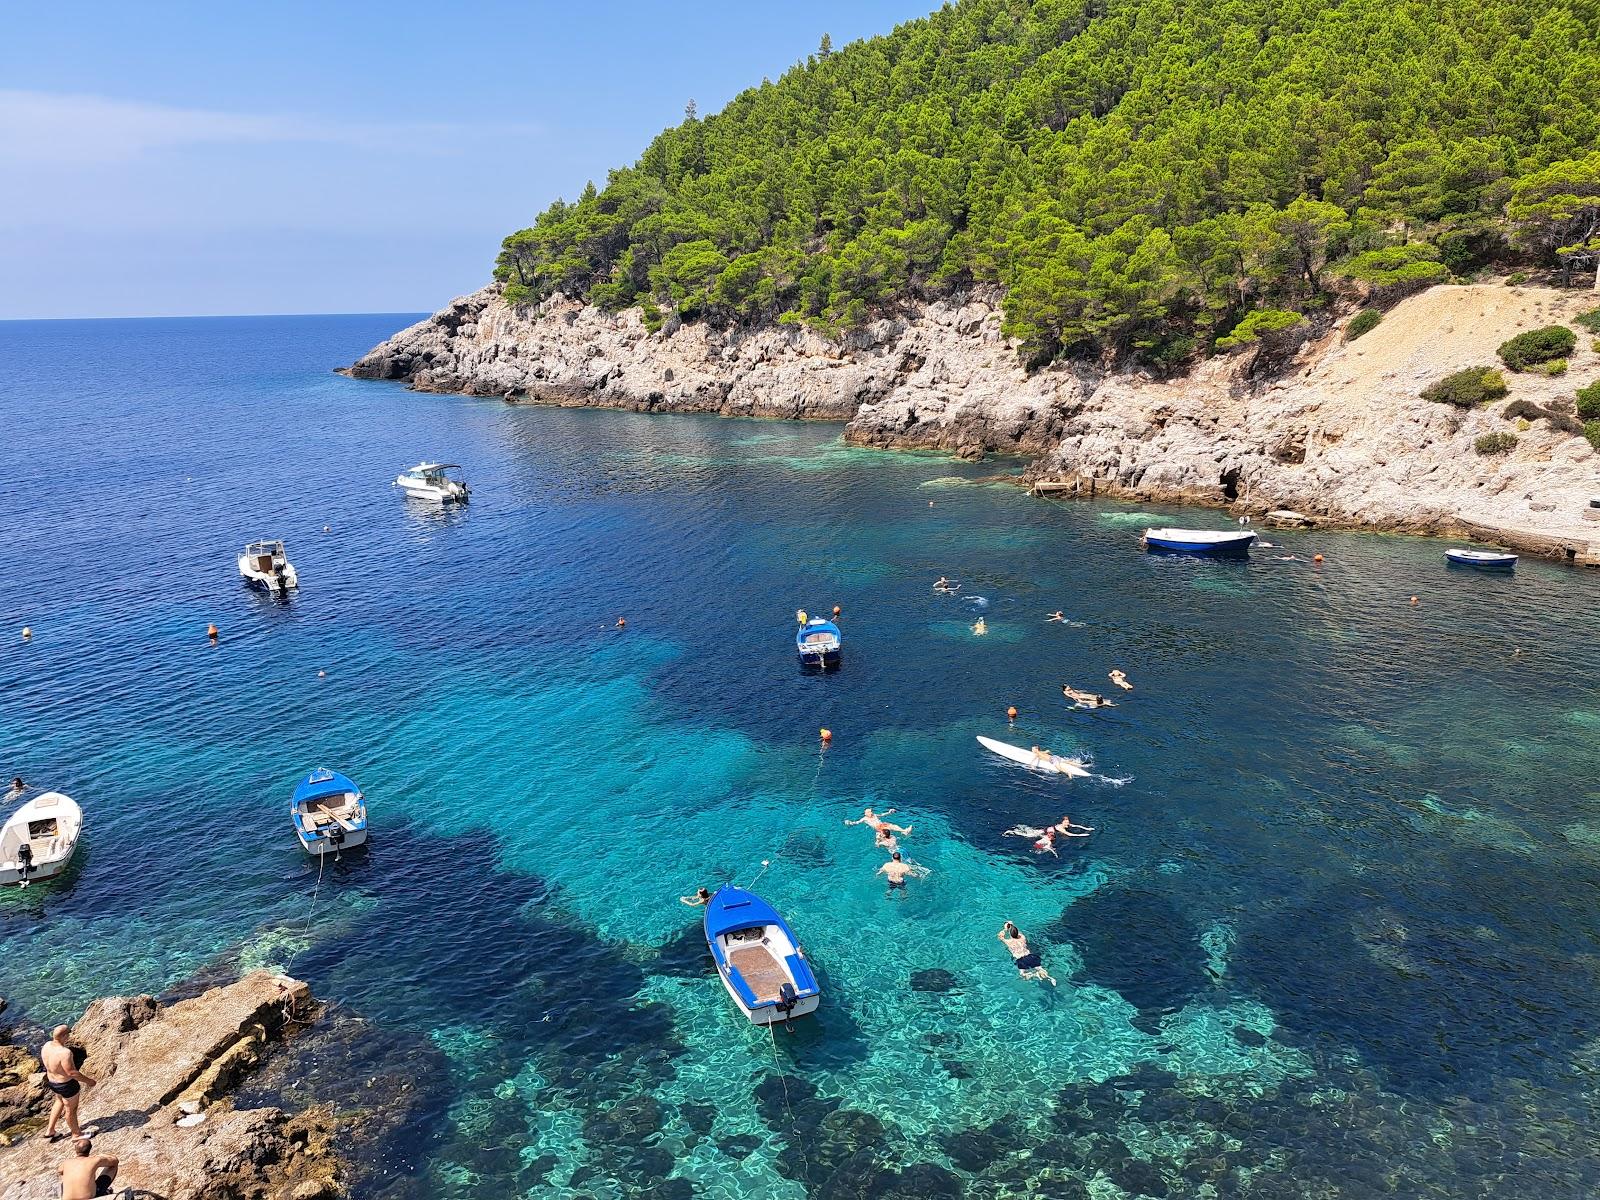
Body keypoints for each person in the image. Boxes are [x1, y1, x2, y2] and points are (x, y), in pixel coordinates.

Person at [41, 1026, 96, 1142]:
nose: (69, 1036)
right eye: (68, 1034)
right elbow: (71, 1073)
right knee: (70, 1109)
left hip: (52, 1082)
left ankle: (50, 1130)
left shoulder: (46, 1046)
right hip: (66, 1085)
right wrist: (89, 1081)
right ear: (64, 1036)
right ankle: (76, 1134)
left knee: (59, 1101)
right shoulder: (65, 1053)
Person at [845, 807, 911, 837]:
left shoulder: (874, 815)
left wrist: (889, 812)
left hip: (883, 824)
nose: (871, 812)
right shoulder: (864, 819)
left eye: (871, 811)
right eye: (869, 811)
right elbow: (857, 822)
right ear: (865, 813)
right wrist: (850, 823)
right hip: (878, 828)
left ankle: (904, 831)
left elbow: (882, 814)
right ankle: (904, 832)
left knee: (894, 826)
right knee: (889, 835)